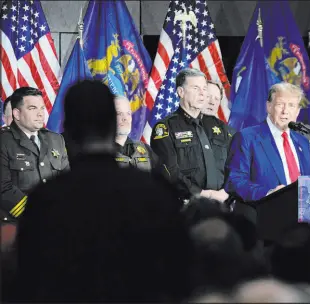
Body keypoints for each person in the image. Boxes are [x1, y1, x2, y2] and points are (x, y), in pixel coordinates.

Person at [9, 80, 193, 302]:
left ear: (69, 130)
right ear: (113, 126)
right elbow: (180, 277)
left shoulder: (45, 200)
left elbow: (27, 282)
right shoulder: (154, 194)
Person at [224, 82, 310, 202]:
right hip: (264, 213)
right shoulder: (247, 138)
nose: (285, 111)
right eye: (280, 104)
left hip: (300, 215)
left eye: (291, 105)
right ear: (269, 106)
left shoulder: (303, 142)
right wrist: (268, 194)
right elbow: (234, 181)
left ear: (297, 111)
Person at [150, 68, 233, 202]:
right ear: (181, 92)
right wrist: (205, 194)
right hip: (185, 206)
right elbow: (170, 172)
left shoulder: (219, 127)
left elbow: (234, 164)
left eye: (204, 89)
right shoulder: (165, 128)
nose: (202, 94)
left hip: (221, 204)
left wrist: (225, 192)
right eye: (196, 88)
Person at [0, 87, 69, 220]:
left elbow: (67, 181)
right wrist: (36, 214)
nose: (40, 114)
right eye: (32, 108)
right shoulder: (4, 141)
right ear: (17, 114)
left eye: (42, 108)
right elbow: (3, 189)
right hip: (17, 225)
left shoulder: (56, 140)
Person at [114, 96, 157, 171]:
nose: (125, 118)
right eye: (119, 113)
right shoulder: (99, 153)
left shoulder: (146, 149)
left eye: (128, 113)